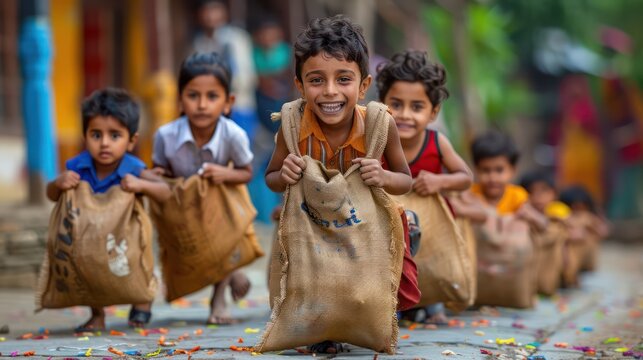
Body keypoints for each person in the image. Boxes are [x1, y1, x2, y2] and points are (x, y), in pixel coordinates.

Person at [264, 15, 417, 354]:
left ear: (363, 85)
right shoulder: (292, 125)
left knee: (364, 286)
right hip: (313, 228)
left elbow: (405, 180)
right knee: (313, 280)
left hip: (361, 227)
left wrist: (383, 175)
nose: (330, 91)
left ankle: (368, 316)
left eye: (343, 79)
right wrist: (285, 172)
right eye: (316, 80)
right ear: (300, 85)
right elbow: (271, 179)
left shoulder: (379, 124)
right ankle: (319, 326)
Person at [46, 88, 172, 331]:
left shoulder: (133, 167)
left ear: (131, 141)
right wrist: (57, 183)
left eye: (115, 135)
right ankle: (97, 314)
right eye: (96, 134)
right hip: (89, 235)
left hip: (125, 236)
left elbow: (165, 191)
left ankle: (142, 301)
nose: (104, 143)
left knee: (134, 263)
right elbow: (52, 195)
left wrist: (141, 184)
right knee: (89, 267)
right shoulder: (77, 167)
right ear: (84, 136)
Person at [152, 52, 253, 325]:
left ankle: (218, 298)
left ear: (228, 102)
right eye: (193, 96)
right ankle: (232, 272)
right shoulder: (165, 136)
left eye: (212, 97)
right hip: (184, 205)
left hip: (221, 202)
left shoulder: (234, 135)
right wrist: (158, 176)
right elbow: (161, 171)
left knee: (219, 239)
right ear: (180, 100)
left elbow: (247, 173)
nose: (202, 105)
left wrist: (225, 173)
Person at [376, 50, 473, 324]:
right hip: (391, 221)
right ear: (381, 105)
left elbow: (465, 177)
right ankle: (388, 305)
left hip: (430, 226)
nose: (405, 115)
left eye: (417, 107)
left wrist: (439, 180)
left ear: (433, 112)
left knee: (432, 259)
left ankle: (434, 306)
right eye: (396, 104)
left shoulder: (436, 142)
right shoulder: (377, 140)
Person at [193, 0, 258, 141]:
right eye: (207, 11)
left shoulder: (236, 38)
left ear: (224, 13)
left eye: (214, 10)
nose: (210, 16)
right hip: (212, 108)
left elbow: (246, 76)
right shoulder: (200, 43)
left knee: (241, 147)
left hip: (239, 104)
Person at [470, 131, 547, 230]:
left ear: (513, 170)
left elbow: (540, 223)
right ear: (476, 170)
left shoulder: (517, 197)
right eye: (485, 170)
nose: (492, 178)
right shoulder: (472, 194)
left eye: (499, 170)